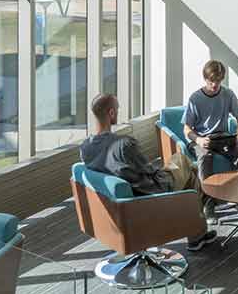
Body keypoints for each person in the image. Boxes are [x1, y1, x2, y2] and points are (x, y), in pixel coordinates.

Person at [82, 93, 213, 251]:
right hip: (149, 195)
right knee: (185, 164)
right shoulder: (123, 144)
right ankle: (199, 228)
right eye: (117, 109)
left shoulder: (85, 148)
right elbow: (150, 172)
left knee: (189, 173)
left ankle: (198, 233)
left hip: (116, 206)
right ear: (111, 113)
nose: (118, 111)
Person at [182, 59, 238, 185]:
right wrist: (198, 140)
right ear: (205, 79)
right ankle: (207, 199)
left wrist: (237, 136)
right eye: (211, 81)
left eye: (218, 81)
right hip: (201, 139)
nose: (214, 85)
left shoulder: (228, 94)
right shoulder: (195, 98)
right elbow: (186, 129)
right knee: (206, 156)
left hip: (222, 138)